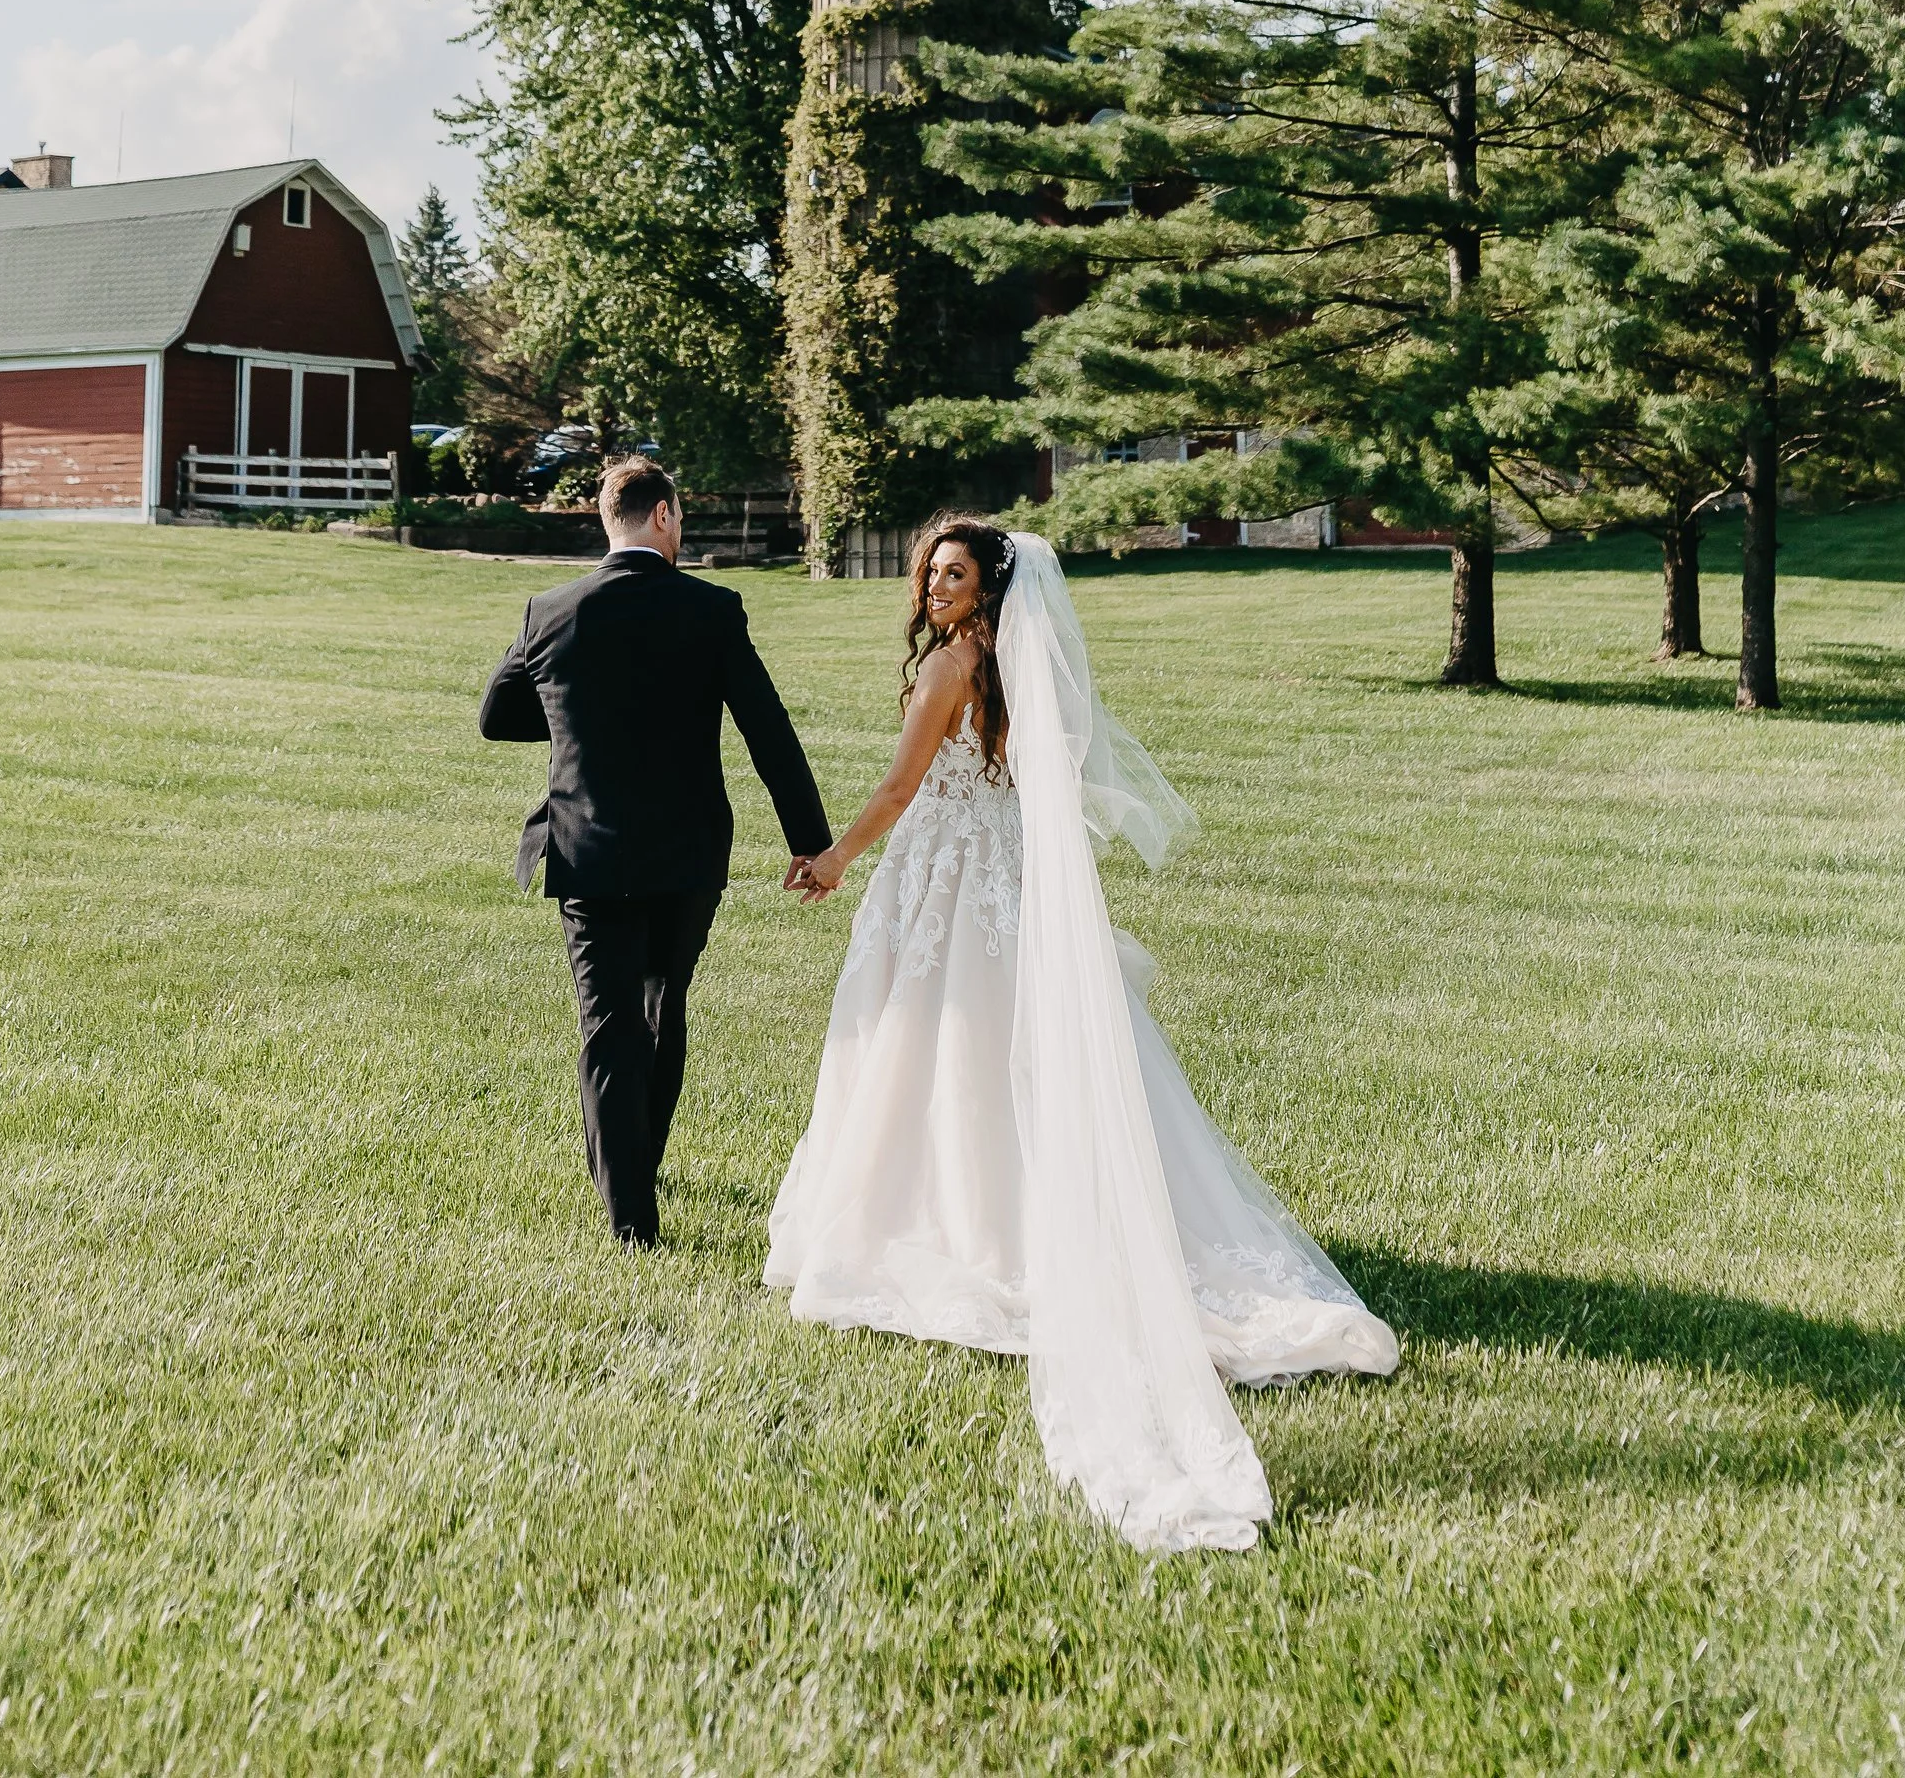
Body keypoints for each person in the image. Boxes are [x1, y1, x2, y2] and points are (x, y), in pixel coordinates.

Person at [767, 517, 1397, 1552]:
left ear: (985, 590)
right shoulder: (1019, 673)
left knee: (935, 1048)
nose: (933, 587)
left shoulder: (951, 672)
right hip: (1008, 880)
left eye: (953, 575)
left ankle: (962, 1227)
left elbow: (898, 788)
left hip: (946, 880)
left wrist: (833, 860)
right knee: (989, 1049)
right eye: (929, 573)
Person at [479, 456, 831, 1247]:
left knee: (608, 1029)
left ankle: (630, 1216)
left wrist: (583, 712)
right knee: (661, 1014)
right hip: (686, 852)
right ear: (665, 515)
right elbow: (768, 731)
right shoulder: (711, 609)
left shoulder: (550, 611)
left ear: (610, 521)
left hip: (588, 848)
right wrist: (810, 841)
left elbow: (497, 716)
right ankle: (639, 1163)